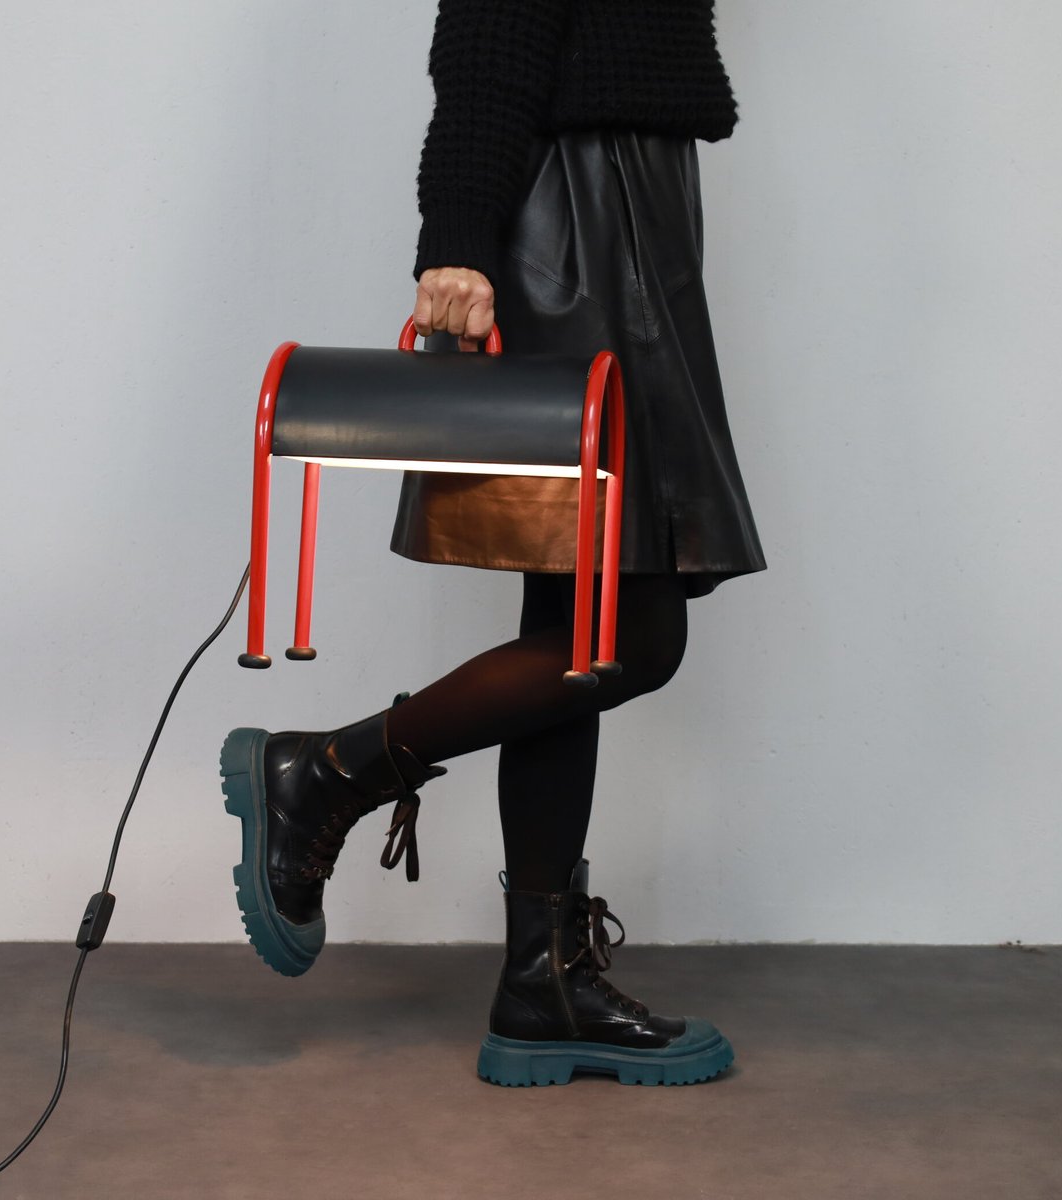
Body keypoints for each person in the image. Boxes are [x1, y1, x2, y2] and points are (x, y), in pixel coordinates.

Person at [219, 0, 767, 1088]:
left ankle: (539, 984)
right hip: (580, 228)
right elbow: (487, 40)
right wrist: (456, 246)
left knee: (582, 630)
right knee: (629, 634)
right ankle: (327, 772)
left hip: (633, 217)